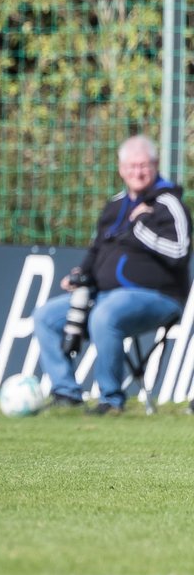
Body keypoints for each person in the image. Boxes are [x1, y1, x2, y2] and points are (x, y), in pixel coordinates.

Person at [32, 135, 191, 415]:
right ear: (121, 169)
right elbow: (97, 250)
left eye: (143, 166)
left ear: (155, 166)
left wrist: (141, 224)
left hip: (159, 297)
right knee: (45, 316)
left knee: (105, 315)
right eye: (131, 167)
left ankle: (111, 399)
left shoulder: (169, 203)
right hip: (102, 294)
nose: (137, 172)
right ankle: (66, 393)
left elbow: (179, 252)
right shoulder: (114, 205)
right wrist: (81, 274)